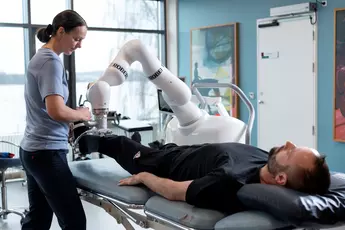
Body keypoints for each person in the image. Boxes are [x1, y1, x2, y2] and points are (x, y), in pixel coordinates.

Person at [75, 132, 331, 214]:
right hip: (181, 151)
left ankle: (81, 135)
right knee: (142, 144)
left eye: (291, 152)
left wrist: (143, 178)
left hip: (158, 164)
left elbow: (175, 191)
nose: (288, 144)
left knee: (117, 143)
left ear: (281, 179)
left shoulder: (231, 182)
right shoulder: (267, 161)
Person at [20, 10, 91, 230]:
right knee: (75, 222)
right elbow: (56, 111)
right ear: (61, 31)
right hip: (46, 152)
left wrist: (68, 119)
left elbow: (50, 109)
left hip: (34, 150)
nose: (79, 45)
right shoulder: (50, 62)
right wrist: (81, 115)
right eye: (77, 39)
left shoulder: (42, 57)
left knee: (38, 221)